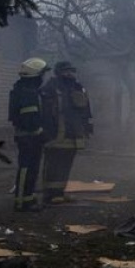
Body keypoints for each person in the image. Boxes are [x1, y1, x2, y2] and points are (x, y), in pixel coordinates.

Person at [39, 60, 94, 204]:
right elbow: (45, 112)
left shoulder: (78, 87)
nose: (69, 74)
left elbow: (86, 110)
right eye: (66, 71)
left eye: (71, 71)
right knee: (53, 164)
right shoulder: (50, 87)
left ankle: (59, 192)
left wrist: (87, 127)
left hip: (73, 134)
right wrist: (45, 132)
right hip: (55, 134)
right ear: (58, 72)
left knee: (65, 164)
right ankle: (49, 194)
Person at [8, 58, 49, 212]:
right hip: (28, 137)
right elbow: (28, 119)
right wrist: (40, 131)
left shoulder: (27, 89)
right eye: (42, 74)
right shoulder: (27, 92)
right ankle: (21, 201)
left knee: (32, 168)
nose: (44, 77)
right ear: (36, 75)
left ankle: (28, 197)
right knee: (26, 168)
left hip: (31, 136)